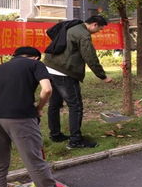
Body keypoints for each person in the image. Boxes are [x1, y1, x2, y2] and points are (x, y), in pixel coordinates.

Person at [0, 47, 64, 187]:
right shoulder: (35, 64)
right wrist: (39, 107)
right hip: (20, 116)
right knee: (32, 157)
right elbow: (47, 89)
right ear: (35, 57)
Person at [43, 15, 113, 148]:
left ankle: (55, 135)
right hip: (64, 72)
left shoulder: (72, 26)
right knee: (76, 106)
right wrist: (102, 76)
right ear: (94, 25)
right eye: (99, 29)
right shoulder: (83, 34)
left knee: (54, 104)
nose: (98, 32)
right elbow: (90, 57)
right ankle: (75, 140)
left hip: (50, 67)